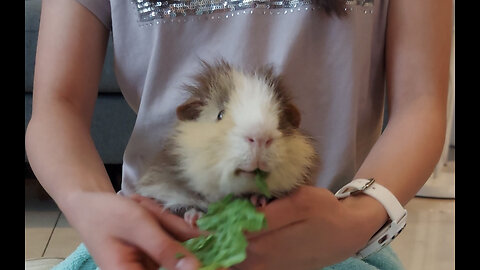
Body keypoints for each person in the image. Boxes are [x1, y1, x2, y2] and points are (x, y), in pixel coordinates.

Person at [25, 0, 453, 269]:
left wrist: (356, 217)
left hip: (329, 243)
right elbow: (55, 106)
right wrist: (91, 207)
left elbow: (420, 103)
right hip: (152, 237)